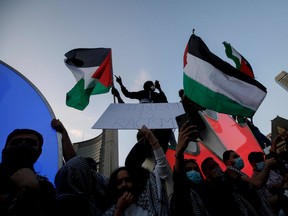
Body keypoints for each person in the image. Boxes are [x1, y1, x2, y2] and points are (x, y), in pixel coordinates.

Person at [102, 125, 170, 216]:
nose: (124, 184)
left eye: (127, 180)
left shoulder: (150, 197)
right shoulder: (111, 212)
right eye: (119, 182)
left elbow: (161, 162)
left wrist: (150, 135)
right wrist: (118, 210)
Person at [51, 119, 110, 216]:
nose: (72, 178)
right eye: (68, 176)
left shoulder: (101, 186)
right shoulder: (58, 202)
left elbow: (73, 160)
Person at [0, 129, 56, 216]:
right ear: (4, 149)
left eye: (30, 143)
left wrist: (32, 195)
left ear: (39, 152)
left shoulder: (45, 188)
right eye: (16, 142)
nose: (23, 145)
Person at [170, 121, 210, 216]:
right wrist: (179, 153)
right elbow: (178, 178)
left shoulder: (209, 193)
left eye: (195, 169)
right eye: (188, 170)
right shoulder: (180, 195)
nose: (193, 171)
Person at [222, 150, 276, 215]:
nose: (239, 158)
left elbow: (258, 185)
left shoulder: (239, 173)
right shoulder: (232, 174)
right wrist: (267, 166)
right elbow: (257, 183)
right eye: (235, 157)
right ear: (228, 162)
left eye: (239, 156)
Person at [248, 151, 288, 215]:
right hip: (277, 207)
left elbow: (280, 181)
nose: (261, 161)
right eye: (258, 160)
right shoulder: (255, 179)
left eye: (261, 159)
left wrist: (284, 180)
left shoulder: (270, 170)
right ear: (252, 163)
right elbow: (270, 192)